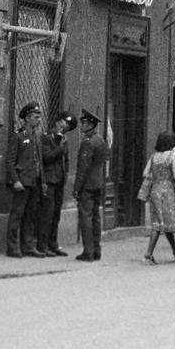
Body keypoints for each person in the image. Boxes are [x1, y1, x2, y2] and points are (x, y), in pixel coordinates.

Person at [4, 102, 45, 258]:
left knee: (30, 216)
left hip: (34, 180)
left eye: (39, 117)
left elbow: (38, 159)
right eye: (35, 117)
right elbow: (10, 161)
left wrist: (42, 180)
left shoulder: (36, 136)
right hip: (22, 181)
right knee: (17, 215)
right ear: (27, 118)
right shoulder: (18, 136)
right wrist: (15, 180)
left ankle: (27, 246)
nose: (38, 120)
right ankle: (12, 247)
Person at [140, 131, 175, 265]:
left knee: (160, 221)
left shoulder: (154, 156)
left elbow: (145, 173)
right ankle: (148, 254)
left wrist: (156, 176)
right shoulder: (172, 155)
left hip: (155, 190)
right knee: (162, 223)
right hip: (167, 191)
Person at [38, 111, 74, 257]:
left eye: (67, 127)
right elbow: (47, 157)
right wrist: (60, 146)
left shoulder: (63, 139)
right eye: (64, 124)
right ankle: (42, 244)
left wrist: (65, 174)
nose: (65, 128)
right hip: (49, 180)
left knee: (56, 213)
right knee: (47, 213)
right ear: (57, 122)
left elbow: (66, 159)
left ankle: (53, 243)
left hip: (59, 180)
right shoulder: (46, 137)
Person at [73, 109, 108, 261]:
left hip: (87, 184)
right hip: (98, 182)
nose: (82, 125)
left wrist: (76, 188)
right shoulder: (100, 140)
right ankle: (96, 249)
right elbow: (106, 157)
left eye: (85, 122)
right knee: (95, 217)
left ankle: (88, 251)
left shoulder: (88, 143)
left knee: (86, 218)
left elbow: (83, 168)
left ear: (91, 124)